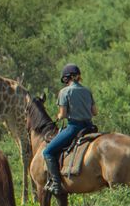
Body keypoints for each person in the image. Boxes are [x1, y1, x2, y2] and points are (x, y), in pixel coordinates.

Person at [42, 63, 97, 196]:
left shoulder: (64, 92)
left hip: (74, 127)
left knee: (48, 152)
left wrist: (58, 116)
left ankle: (56, 184)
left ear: (67, 78)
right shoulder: (87, 91)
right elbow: (94, 112)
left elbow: (63, 114)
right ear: (78, 77)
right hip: (90, 127)